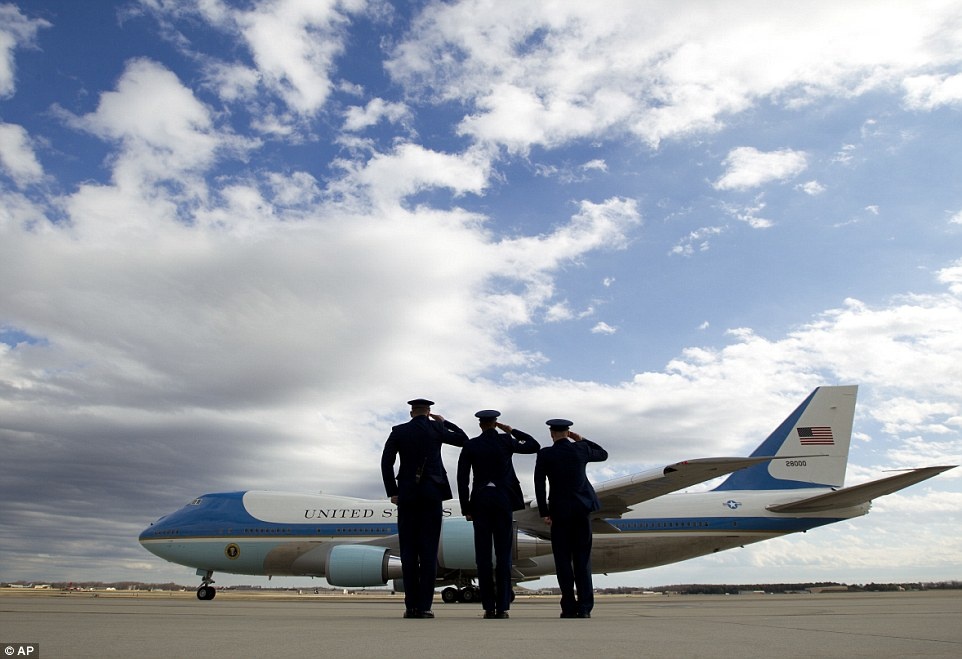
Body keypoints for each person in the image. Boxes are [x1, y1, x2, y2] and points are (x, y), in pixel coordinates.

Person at [381, 398, 468, 619]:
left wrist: (393, 491)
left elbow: (386, 462)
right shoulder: (436, 428)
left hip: (407, 495)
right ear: (428, 412)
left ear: (411, 413)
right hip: (432, 493)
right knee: (429, 553)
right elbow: (463, 439)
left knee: (408, 552)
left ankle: (411, 606)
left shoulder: (399, 431)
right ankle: (425, 607)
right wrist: (444, 422)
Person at [456, 410, 540, 619]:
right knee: (504, 556)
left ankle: (488, 607)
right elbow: (533, 445)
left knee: (483, 557)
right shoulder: (506, 441)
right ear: (495, 423)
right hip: (503, 501)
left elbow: (462, 478)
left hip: (481, 502)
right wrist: (511, 430)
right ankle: (502, 608)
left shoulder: (471, 445)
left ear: (480, 425)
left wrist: (466, 508)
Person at [533, 418, 608, 618]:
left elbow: (539, 484)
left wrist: (544, 512)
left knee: (563, 561)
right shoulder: (581, 449)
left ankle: (568, 606)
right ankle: (584, 608)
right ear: (568, 432)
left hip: (559, 512)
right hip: (582, 510)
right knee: (582, 560)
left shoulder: (545, 454)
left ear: (551, 434)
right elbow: (603, 454)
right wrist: (581, 439)